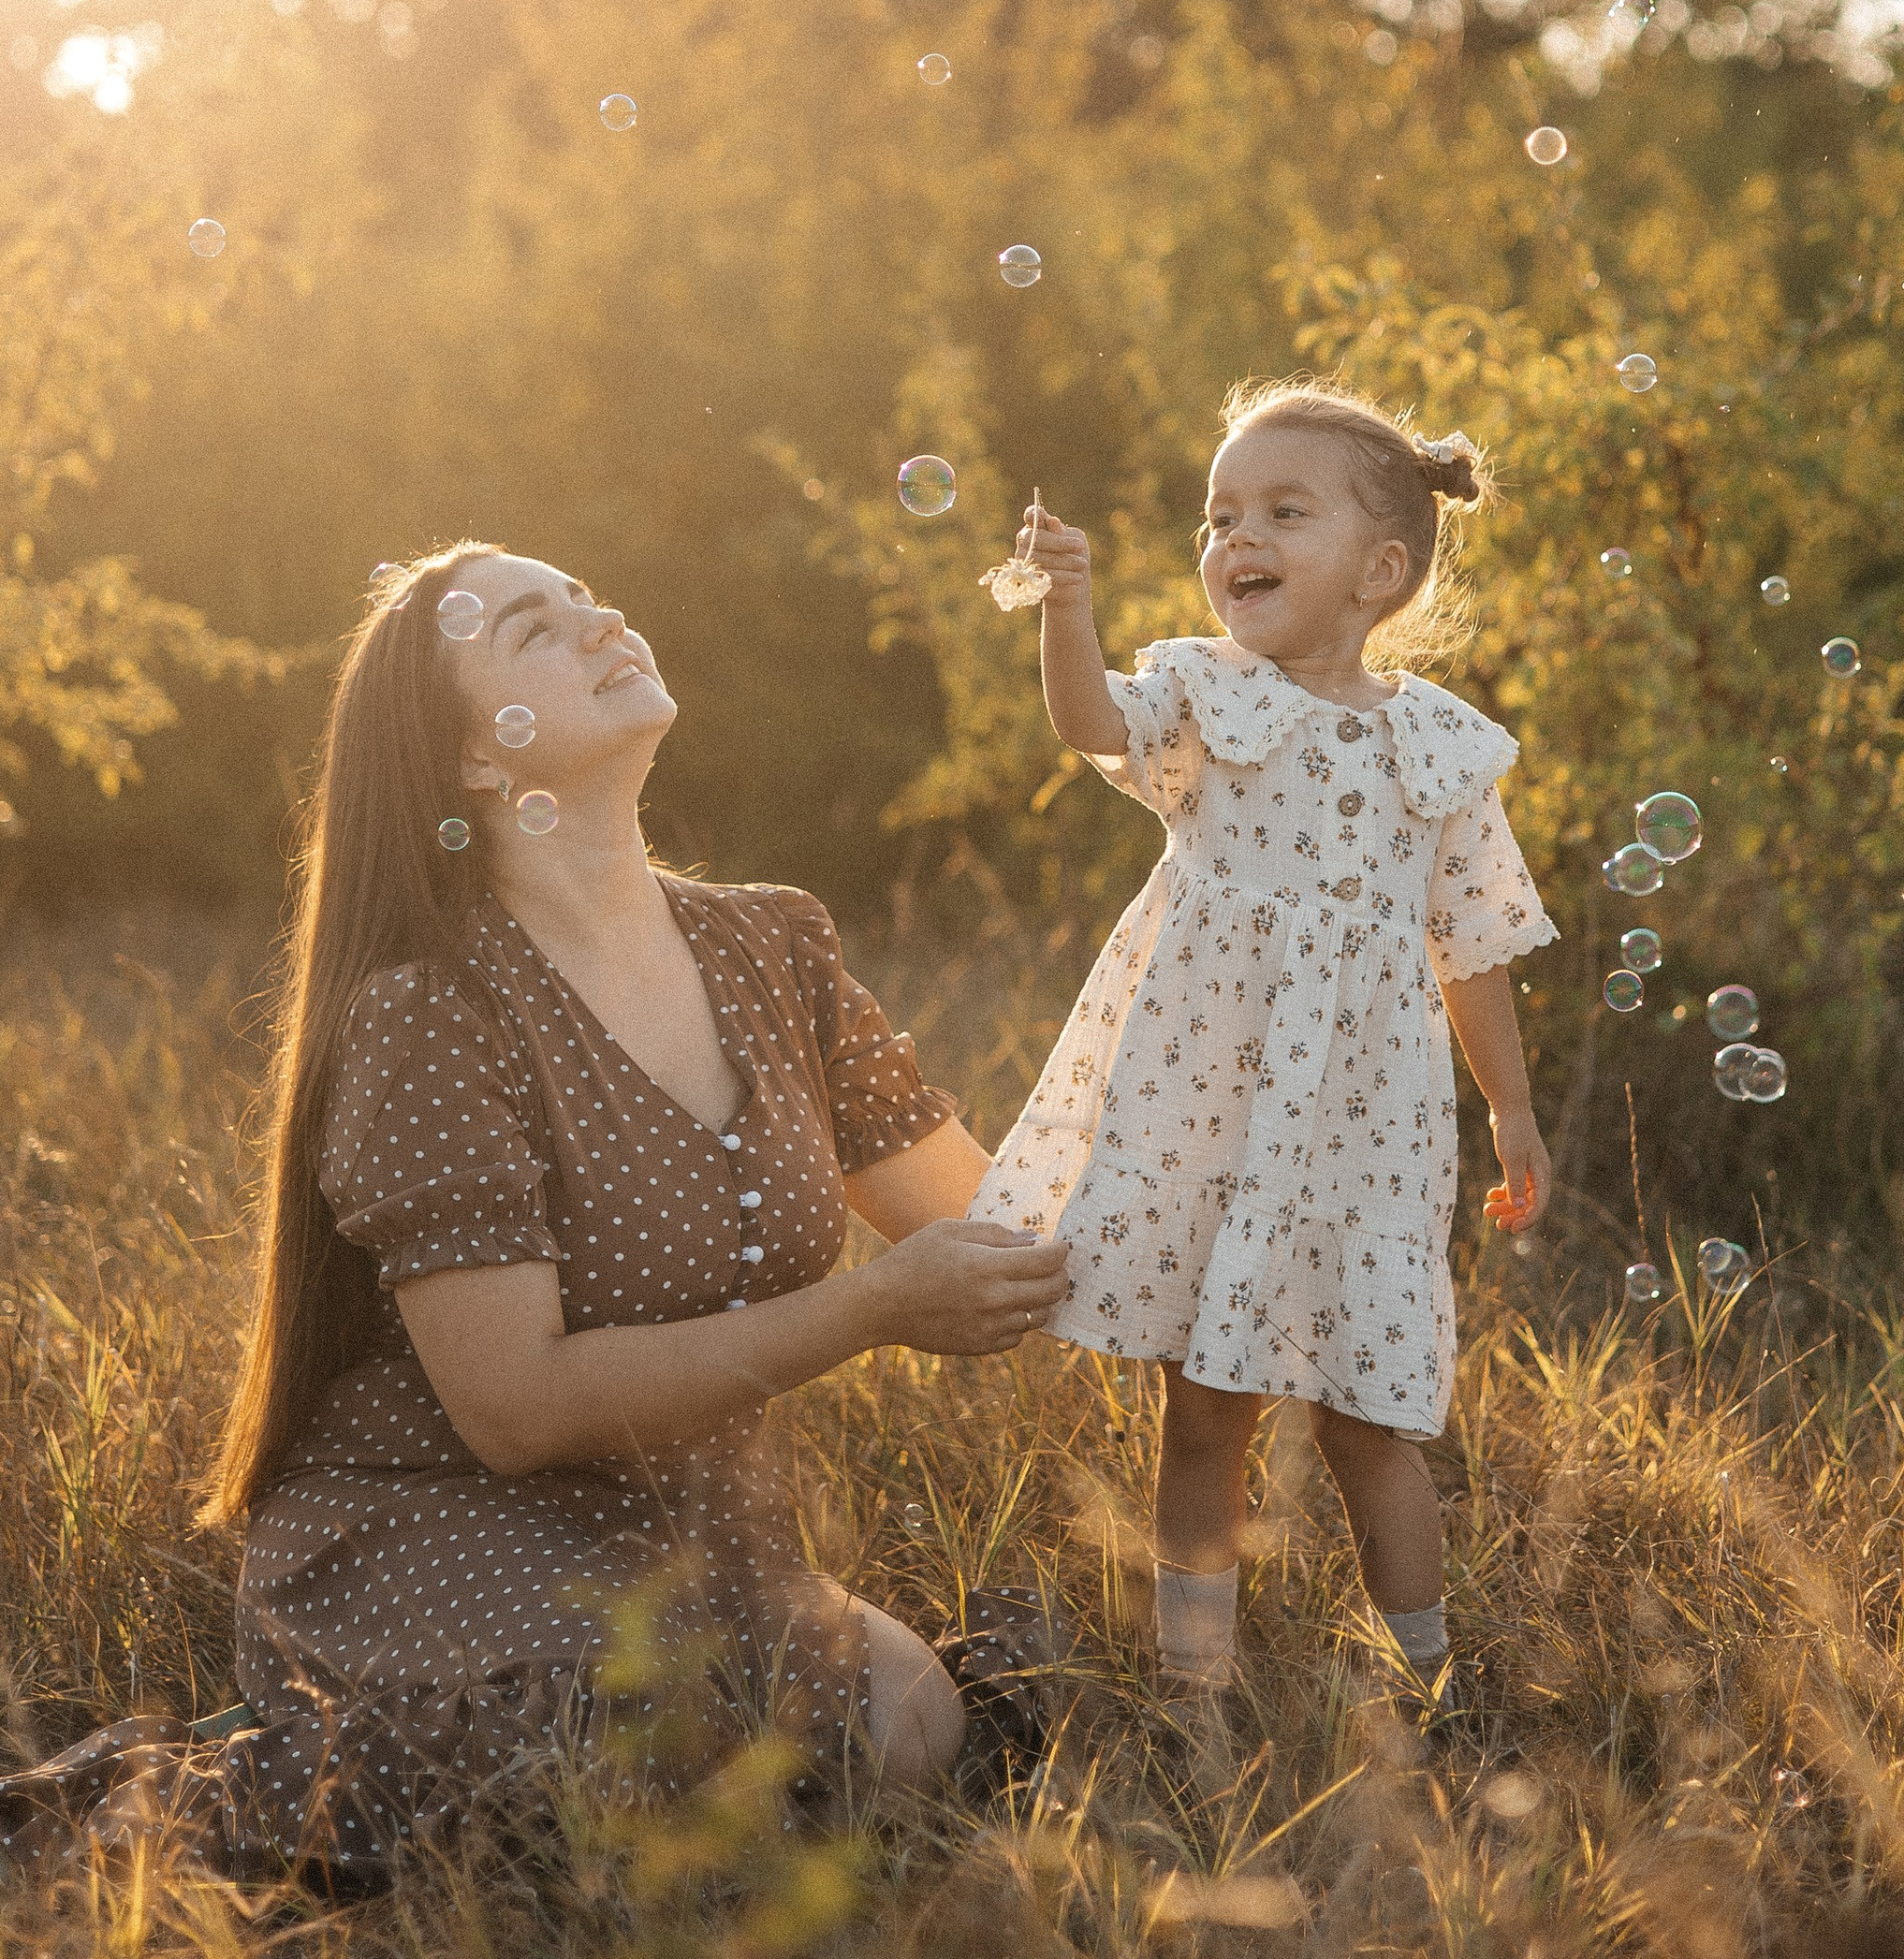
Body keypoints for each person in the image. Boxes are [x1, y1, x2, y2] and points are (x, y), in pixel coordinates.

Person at [176, 545, 1071, 1879]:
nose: (601, 620)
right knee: (643, 1751)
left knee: (908, 1724)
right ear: (477, 762)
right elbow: (517, 1409)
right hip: (437, 1524)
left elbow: (1010, 1223)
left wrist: (1240, 1079)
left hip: (683, 1538)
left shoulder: (774, 944)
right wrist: (868, 1311)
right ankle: (95, 1813)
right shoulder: (434, 1009)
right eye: (539, 626)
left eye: (592, 596)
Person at [971, 378, 1556, 1714]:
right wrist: (1070, 605)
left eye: (1283, 511)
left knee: (1371, 1418)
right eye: (1219, 514)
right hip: (1215, 1110)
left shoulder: (1440, 754)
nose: (1236, 537)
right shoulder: (1205, 701)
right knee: (1208, 1405)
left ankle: (1431, 1683)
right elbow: (1088, 724)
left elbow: (1472, 949)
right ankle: (1194, 1690)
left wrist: (1511, 1112)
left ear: (1383, 570)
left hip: (1362, 1132)